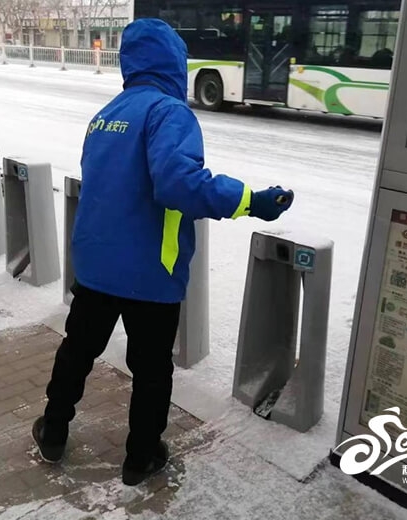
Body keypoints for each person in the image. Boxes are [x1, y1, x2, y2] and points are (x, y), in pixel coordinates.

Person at [32, 18, 294, 486]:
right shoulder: (169, 112)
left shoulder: (106, 115)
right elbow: (178, 184)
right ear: (174, 61)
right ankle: (141, 457)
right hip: (150, 273)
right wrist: (249, 200)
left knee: (78, 351)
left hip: (96, 266)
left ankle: (53, 431)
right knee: (151, 370)